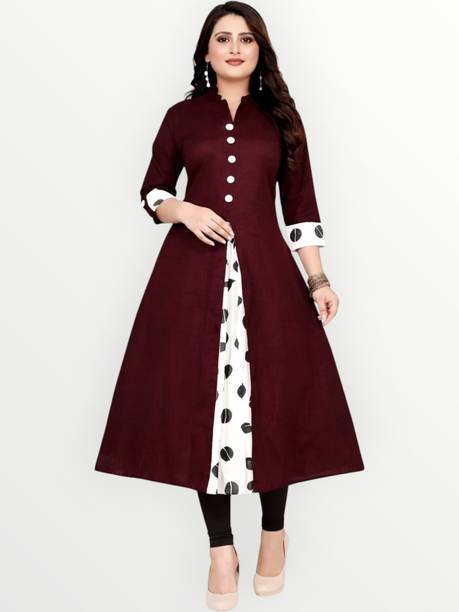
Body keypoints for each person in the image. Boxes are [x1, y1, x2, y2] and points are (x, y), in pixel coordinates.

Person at [95, 2, 364, 609]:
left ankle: (273, 532)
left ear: (260, 50)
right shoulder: (181, 117)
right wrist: (184, 210)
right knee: (203, 405)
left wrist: (319, 280)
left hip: (268, 277)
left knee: (275, 402)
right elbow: (152, 190)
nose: (235, 47)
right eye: (223, 38)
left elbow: (301, 207)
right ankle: (221, 548)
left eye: (246, 38)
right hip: (190, 279)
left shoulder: (281, 119)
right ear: (207, 50)